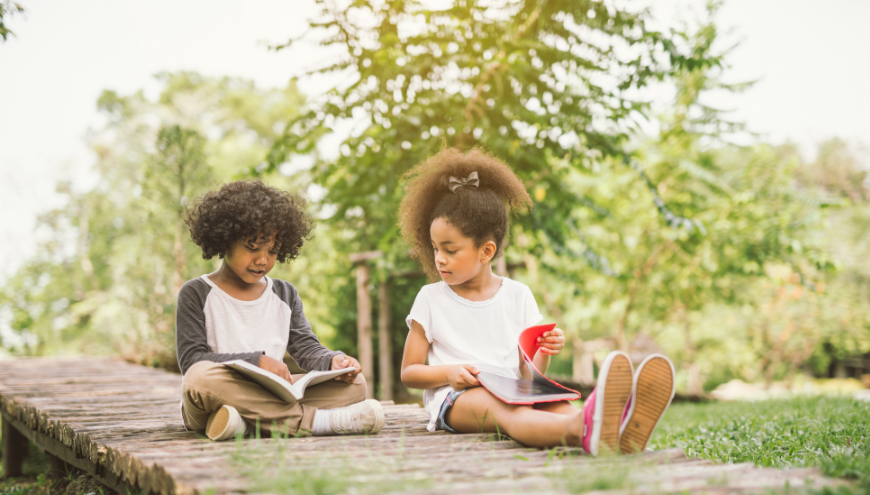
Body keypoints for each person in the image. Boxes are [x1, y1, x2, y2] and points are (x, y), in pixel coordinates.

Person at [399, 148, 675, 454]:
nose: (439, 259)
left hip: (514, 389)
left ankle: (618, 433)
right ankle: (584, 429)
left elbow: (529, 375)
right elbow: (410, 372)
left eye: (450, 250)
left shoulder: (518, 295)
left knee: (558, 406)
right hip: (456, 397)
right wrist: (447, 373)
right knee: (510, 414)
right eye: (436, 248)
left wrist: (543, 350)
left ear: (486, 252)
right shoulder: (431, 298)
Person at [176, 180, 384, 441]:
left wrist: (334, 361)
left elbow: (306, 348)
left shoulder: (285, 294)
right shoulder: (195, 292)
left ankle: (247, 425)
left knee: (355, 384)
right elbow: (191, 360)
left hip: (270, 397)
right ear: (225, 240)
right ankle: (317, 422)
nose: (262, 260)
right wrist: (257, 361)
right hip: (215, 397)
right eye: (252, 247)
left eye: (272, 251)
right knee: (198, 377)